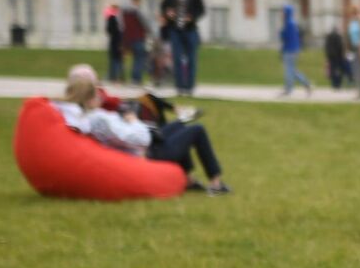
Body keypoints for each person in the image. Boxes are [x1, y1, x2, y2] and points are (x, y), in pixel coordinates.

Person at [54, 65, 230, 194]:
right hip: (150, 150)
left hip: (149, 141)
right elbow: (138, 139)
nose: (102, 96)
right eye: (98, 94)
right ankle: (216, 184)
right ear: (90, 99)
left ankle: (189, 180)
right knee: (197, 130)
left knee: (179, 125)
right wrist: (132, 119)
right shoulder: (98, 119)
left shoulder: (89, 117)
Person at [159, 0, 205, 96]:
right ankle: (180, 87)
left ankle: (189, 87)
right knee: (177, 58)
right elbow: (163, 7)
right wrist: (168, 13)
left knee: (191, 59)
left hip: (190, 30)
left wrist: (192, 17)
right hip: (175, 30)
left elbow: (201, 10)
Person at [278, 5, 313, 98]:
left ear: (287, 12)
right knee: (292, 70)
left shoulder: (288, 24)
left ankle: (288, 90)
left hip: (289, 50)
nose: (281, 14)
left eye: (283, 12)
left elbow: (285, 38)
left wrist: (281, 32)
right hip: (294, 50)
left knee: (288, 70)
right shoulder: (292, 23)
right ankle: (307, 83)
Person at [121, 0, 151, 88]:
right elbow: (145, 24)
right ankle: (137, 79)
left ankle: (134, 78)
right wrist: (149, 32)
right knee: (139, 59)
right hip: (138, 37)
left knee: (135, 59)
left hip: (129, 39)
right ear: (137, 0)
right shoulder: (138, 11)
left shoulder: (125, 13)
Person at [104, 4, 125, 83]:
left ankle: (114, 77)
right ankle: (118, 77)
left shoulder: (112, 18)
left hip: (114, 42)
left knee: (114, 60)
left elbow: (108, 30)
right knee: (118, 61)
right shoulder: (117, 18)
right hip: (118, 41)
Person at [324, 21, 348, 90]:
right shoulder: (338, 36)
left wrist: (327, 55)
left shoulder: (328, 36)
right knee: (339, 70)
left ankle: (334, 84)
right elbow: (340, 46)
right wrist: (342, 56)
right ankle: (338, 84)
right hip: (338, 56)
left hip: (331, 56)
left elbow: (326, 47)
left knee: (332, 70)